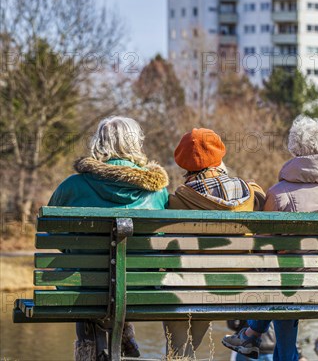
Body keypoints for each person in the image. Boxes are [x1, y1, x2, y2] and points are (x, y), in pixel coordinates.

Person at [222, 115, 318, 361]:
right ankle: (253, 334)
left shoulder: (278, 193)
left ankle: (254, 334)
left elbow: (264, 254)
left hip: (292, 288)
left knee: (282, 278)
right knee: (286, 277)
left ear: (295, 147)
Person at [48, 116, 169, 361]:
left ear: (99, 143)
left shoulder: (72, 186)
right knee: (114, 286)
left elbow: (53, 236)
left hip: (86, 285)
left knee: (85, 280)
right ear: (136, 144)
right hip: (140, 286)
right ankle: (125, 337)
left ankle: (91, 349)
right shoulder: (158, 191)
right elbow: (162, 239)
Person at [163, 128, 266, 357]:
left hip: (193, 286)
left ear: (183, 162)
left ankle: (179, 354)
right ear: (220, 154)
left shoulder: (178, 200)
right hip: (240, 286)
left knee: (183, 282)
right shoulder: (250, 192)